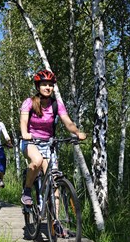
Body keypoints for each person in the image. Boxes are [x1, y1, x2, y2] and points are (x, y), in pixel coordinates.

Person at [19, 70, 86, 206]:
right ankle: (26, 191)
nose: (48, 87)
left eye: (50, 85)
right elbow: (23, 121)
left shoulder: (56, 104)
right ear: (38, 87)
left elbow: (68, 122)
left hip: (48, 144)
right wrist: (25, 134)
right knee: (37, 161)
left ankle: (56, 224)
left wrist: (77, 132)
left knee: (54, 179)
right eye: (44, 84)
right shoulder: (29, 102)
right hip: (30, 141)